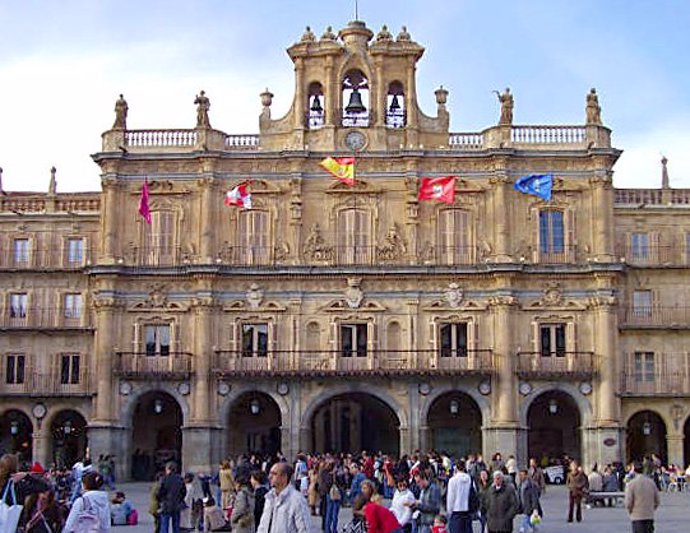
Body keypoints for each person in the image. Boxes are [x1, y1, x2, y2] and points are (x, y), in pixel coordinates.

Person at [256, 462, 311, 533]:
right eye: (270, 473)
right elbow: (263, 525)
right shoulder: (269, 498)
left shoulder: (297, 500)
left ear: (284, 477)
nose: (270, 477)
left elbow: (305, 529)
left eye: (274, 474)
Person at [624, 462, 659, 533]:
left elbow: (628, 502)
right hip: (649, 515)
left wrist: (630, 511)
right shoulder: (651, 482)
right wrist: (651, 509)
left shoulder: (631, 484)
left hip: (637, 516)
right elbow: (657, 500)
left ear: (634, 471)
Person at [158, 461, 187, 533]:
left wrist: (161, 500)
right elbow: (184, 492)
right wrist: (180, 499)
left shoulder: (164, 479)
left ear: (168, 469)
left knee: (164, 525)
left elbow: (160, 492)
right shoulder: (180, 479)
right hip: (177, 504)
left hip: (166, 504)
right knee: (176, 525)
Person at [446, 461, 473, 533]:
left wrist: (449, 510)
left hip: (456, 511)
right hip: (467, 511)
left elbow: (451, 497)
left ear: (456, 468)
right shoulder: (469, 478)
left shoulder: (452, 480)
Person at [231, 467, 256, 533]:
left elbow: (240, 508)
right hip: (249, 521)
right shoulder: (249, 492)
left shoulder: (241, 494)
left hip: (241, 523)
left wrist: (233, 518)